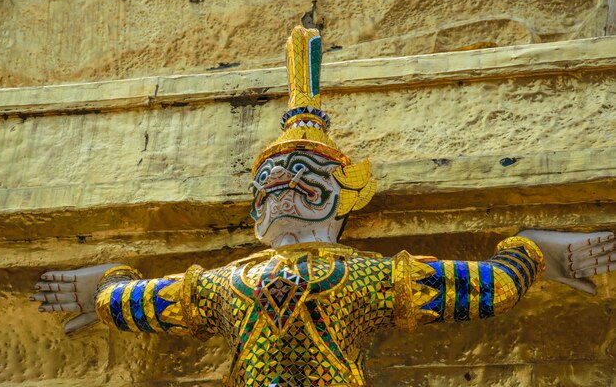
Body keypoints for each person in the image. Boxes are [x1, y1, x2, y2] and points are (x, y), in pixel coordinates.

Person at [32, 26, 615, 387]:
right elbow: (148, 302)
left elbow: (486, 288)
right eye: (271, 180)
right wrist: (105, 291)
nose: (284, 186)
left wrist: (531, 253)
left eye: (304, 175)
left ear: (343, 197)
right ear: (255, 209)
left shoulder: (365, 276)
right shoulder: (225, 285)